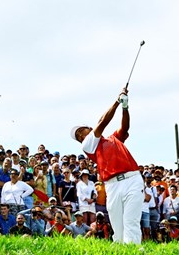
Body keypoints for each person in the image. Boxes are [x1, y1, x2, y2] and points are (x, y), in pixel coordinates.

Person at [71, 87, 143, 244]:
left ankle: (133, 250)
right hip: (112, 185)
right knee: (118, 227)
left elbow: (125, 128)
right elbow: (103, 122)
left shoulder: (113, 138)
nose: (80, 136)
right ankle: (120, 249)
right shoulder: (88, 146)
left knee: (131, 222)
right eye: (78, 136)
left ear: (89, 129)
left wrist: (125, 107)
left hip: (132, 179)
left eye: (81, 131)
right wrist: (117, 102)